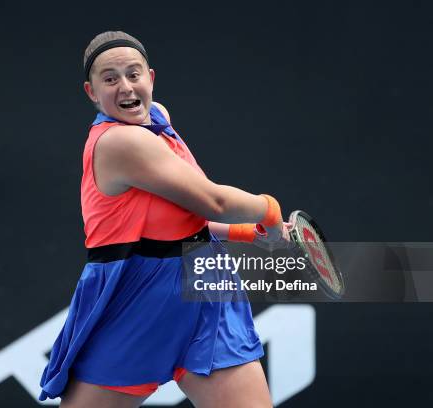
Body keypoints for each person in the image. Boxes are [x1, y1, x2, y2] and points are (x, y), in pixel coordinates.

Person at [39, 31, 290, 408]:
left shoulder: (158, 118)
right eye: (110, 79)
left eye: (133, 74)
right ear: (92, 92)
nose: (125, 87)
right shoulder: (122, 143)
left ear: (150, 78)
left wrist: (246, 233)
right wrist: (269, 211)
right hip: (134, 298)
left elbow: (180, 219)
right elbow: (214, 201)